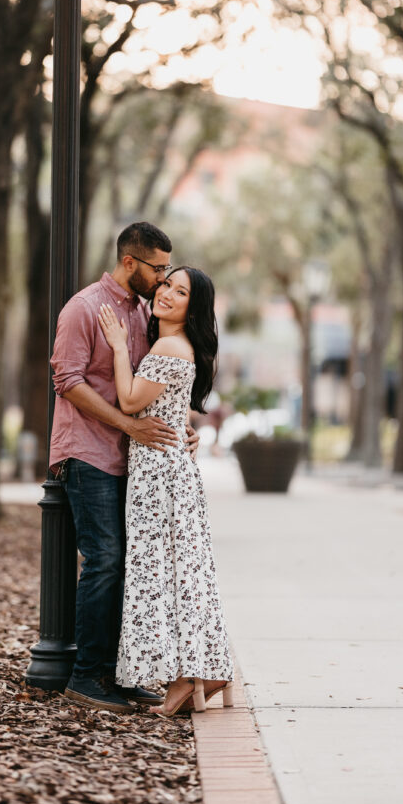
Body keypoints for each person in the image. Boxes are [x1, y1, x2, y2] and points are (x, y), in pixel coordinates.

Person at [50, 221, 197, 714]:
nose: (163, 279)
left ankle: (120, 672)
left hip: (133, 460)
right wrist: (127, 425)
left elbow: (153, 382)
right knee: (106, 559)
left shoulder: (143, 312)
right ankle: (86, 676)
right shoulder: (84, 308)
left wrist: (180, 424)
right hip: (87, 452)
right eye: (157, 269)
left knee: (131, 566)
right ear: (129, 261)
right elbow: (67, 381)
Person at [98, 266, 234, 717]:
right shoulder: (181, 346)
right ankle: (207, 667)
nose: (168, 295)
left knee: (158, 573)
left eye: (182, 292)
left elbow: (131, 401)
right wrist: (188, 429)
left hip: (159, 474)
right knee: (185, 573)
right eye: (167, 285)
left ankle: (183, 678)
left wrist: (119, 347)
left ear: (194, 307)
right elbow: (170, 405)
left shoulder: (169, 345)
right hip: (172, 467)